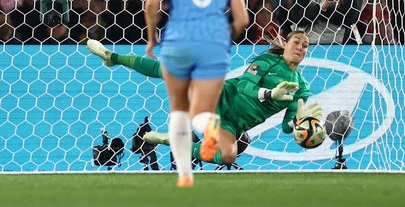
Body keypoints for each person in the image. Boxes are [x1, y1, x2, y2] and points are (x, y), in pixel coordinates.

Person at [86, 31, 323, 168]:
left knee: (228, 156)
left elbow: (286, 126)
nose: (301, 48)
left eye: (305, 45)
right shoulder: (268, 62)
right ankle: (112, 56)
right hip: (220, 95)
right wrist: (270, 94)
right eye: (296, 42)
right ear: (285, 45)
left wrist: (298, 123)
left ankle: (171, 141)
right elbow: (244, 86)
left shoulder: (301, 88)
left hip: (232, 124)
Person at [143, 0, 249, 187]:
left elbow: (151, 4)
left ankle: (185, 175)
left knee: (180, 109)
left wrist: (151, 38)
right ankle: (209, 130)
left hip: (179, 45)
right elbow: (243, 19)